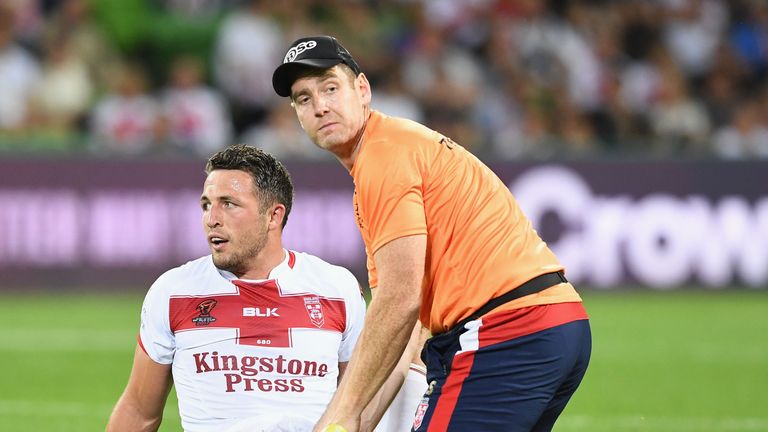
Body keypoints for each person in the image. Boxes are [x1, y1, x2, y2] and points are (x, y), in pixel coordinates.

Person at [272, 36, 592, 432]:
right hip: (551, 323)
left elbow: (398, 300)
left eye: (331, 88)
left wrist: (340, 416)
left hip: (507, 331)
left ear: (363, 89)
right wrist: (359, 422)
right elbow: (406, 326)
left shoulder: (383, 157)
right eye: (304, 99)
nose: (320, 106)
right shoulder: (391, 147)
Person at [106, 144, 421, 432]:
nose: (211, 219)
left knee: (412, 368)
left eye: (228, 204)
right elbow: (139, 410)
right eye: (206, 205)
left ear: (274, 215)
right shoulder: (175, 291)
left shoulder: (334, 288)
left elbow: (361, 397)